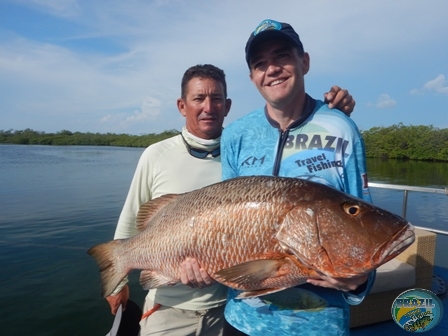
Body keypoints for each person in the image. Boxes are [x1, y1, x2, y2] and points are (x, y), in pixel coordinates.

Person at [106, 64, 356, 336]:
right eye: (198, 98)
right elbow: (131, 219)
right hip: (168, 307)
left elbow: (288, 169)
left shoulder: (243, 150)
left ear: (227, 106)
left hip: (227, 305)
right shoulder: (155, 155)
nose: (208, 107)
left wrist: (330, 113)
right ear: (181, 105)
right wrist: (117, 282)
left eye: (216, 99)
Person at [220, 19, 375, 336]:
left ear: (304, 61)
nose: (272, 69)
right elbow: (224, 225)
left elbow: (364, 223)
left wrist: (360, 281)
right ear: (252, 78)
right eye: (260, 64)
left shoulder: (341, 127)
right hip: (241, 320)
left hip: (320, 325)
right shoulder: (235, 134)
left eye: (282, 57)